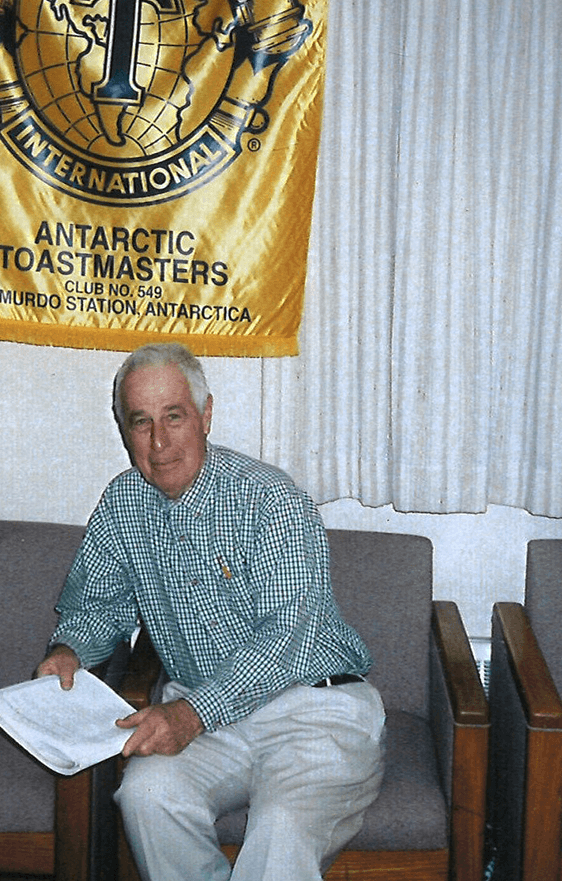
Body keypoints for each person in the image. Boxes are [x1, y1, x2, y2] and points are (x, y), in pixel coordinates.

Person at [37, 342, 385, 881]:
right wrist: (68, 652)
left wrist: (191, 713)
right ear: (124, 429)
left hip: (314, 709)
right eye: (141, 421)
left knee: (281, 827)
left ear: (205, 415)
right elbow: (97, 607)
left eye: (174, 416)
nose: (158, 442)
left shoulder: (270, 498)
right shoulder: (122, 504)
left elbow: (290, 635)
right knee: (147, 796)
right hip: (206, 720)